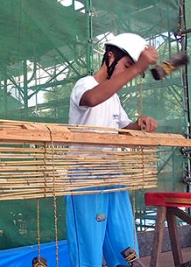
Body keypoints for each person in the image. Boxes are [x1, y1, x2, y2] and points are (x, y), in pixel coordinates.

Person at [66, 33, 159, 267]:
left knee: (123, 240)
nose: (128, 72)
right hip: (84, 176)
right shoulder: (86, 85)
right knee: (88, 245)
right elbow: (91, 99)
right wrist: (137, 68)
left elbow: (124, 127)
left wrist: (140, 124)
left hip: (112, 173)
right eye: (126, 65)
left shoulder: (113, 97)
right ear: (110, 57)